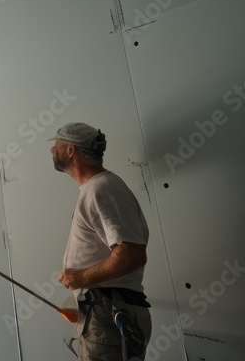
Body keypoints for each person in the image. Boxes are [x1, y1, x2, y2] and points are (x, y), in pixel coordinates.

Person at [50, 122, 152, 360]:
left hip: (107, 314)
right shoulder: (96, 189)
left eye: (56, 144)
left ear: (71, 150)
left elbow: (131, 254)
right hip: (103, 313)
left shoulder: (102, 189)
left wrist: (80, 278)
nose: (51, 150)